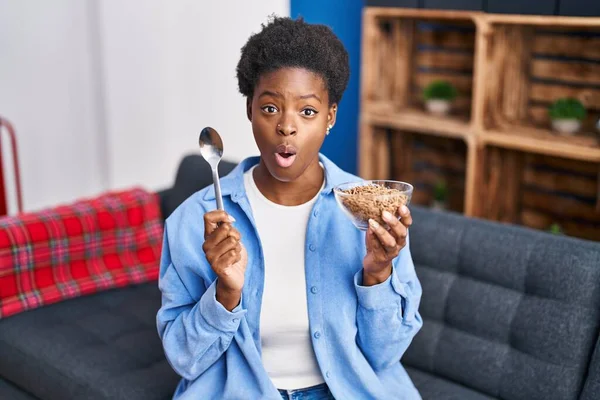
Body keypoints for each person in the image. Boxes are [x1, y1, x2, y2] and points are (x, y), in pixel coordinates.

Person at [157, 16, 423, 400]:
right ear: (250, 109)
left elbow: (385, 355)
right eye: (269, 108)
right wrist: (225, 294)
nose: (286, 127)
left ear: (330, 116)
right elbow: (185, 360)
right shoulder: (190, 222)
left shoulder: (372, 214)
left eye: (308, 111)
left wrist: (378, 274)